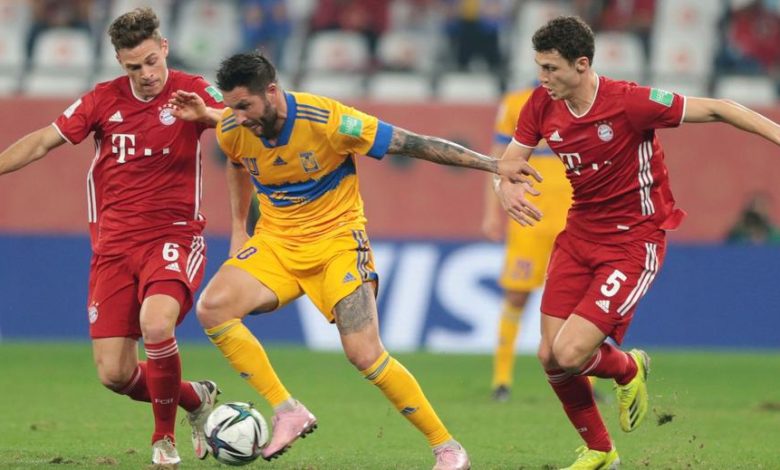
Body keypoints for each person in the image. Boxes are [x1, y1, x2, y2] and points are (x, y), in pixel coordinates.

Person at [168, 50, 539, 470]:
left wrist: (494, 165)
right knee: (213, 308)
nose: (237, 117)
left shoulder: (329, 121)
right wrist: (239, 227)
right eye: (231, 108)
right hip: (277, 243)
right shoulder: (234, 128)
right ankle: (287, 410)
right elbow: (238, 164)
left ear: (271, 91)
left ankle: (447, 448)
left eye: (244, 106)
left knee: (364, 354)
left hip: (338, 244)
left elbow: (415, 144)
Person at [493, 16, 780, 469]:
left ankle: (628, 368)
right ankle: (601, 450)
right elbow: (509, 163)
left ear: (581, 64)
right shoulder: (540, 104)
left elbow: (721, 108)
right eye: (539, 67)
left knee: (570, 353)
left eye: (550, 68)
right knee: (549, 356)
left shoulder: (630, 102)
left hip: (632, 243)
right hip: (578, 236)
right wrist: (504, 188)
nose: (542, 77)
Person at [0, 8, 224, 468]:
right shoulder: (103, 99)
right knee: (115, 374)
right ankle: (194, 398)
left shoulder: (194, 90)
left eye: (151, 61)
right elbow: (43, 141)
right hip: (114, 249)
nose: (146, 74)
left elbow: (244, 121)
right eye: (134, 67)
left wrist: (209, 115)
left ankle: (163, 441)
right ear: (120, 63)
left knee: (156, 325)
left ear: (164, 48)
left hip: (173, 237)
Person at [481, 88, 573, 402]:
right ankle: (501, 380)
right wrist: (491, 212)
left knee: (575, 302)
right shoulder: (515, 103)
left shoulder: (584, 100)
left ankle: (583, 381)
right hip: (528, 219)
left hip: (572, 219)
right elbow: (497, 160)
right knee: (516, 296)